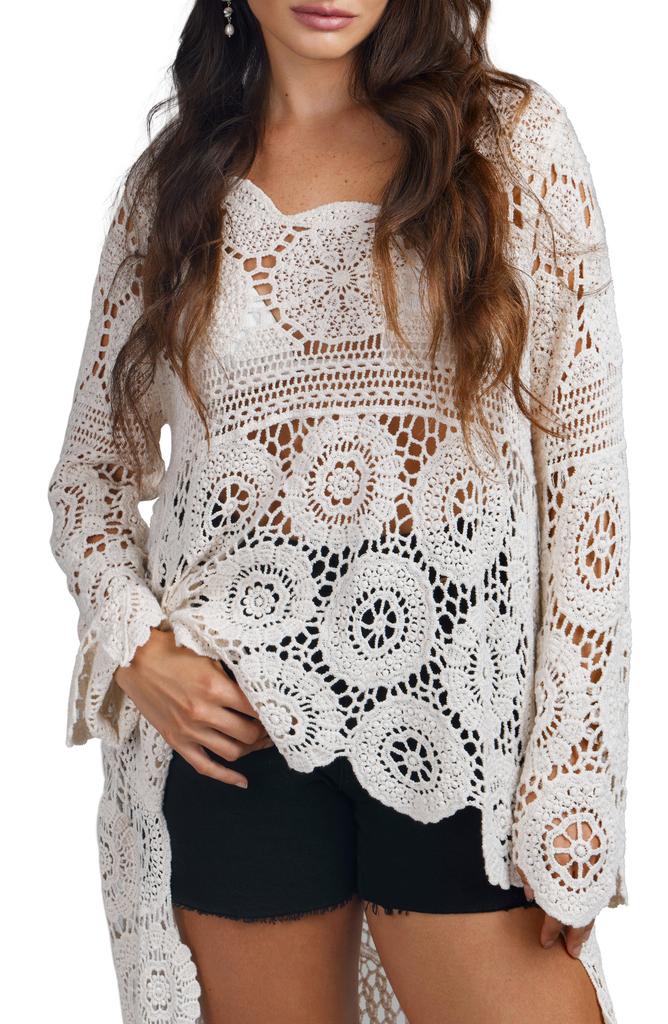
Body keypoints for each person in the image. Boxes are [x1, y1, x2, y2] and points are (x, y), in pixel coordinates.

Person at [47, 2, 631, 1023]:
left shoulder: (508, 143)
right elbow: (88, 477)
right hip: (235, 731)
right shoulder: (172, 190)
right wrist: (138, 649)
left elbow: (585, 483)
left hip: (458, 720)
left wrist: (573, 778)